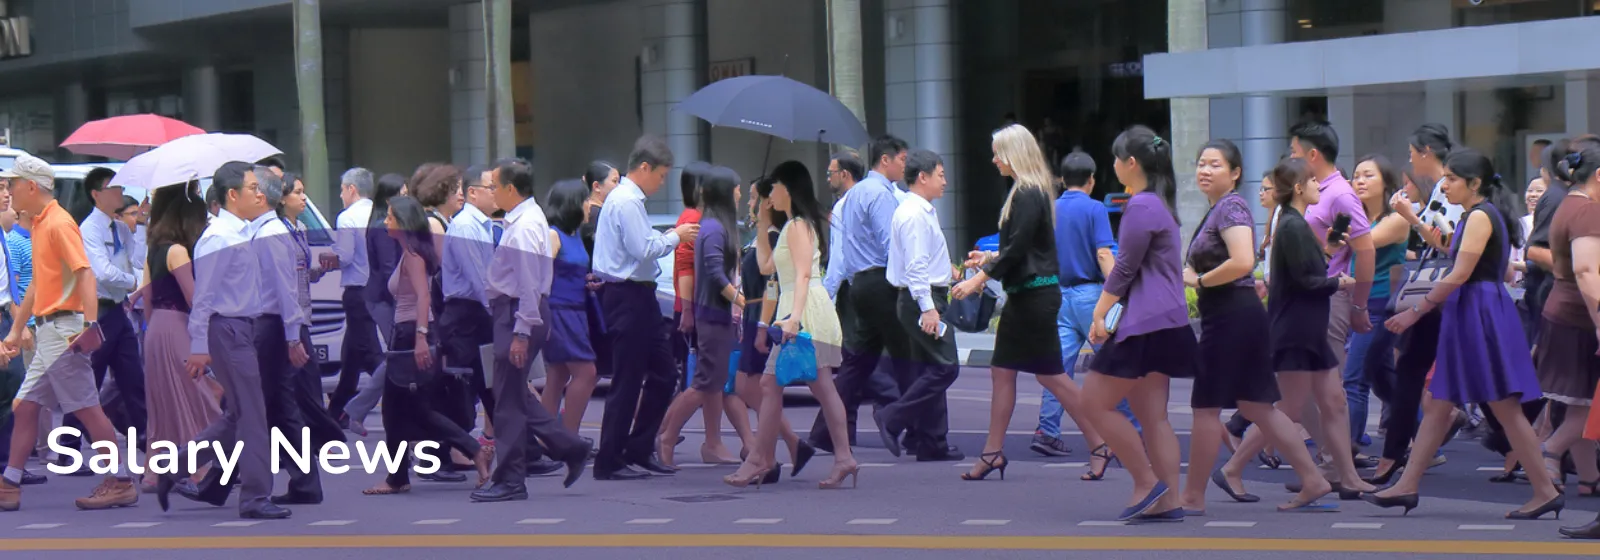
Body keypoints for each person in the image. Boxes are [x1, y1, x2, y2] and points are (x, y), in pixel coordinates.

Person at [1366, 149, 1559, 519]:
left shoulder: (1480, 216)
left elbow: (1458, 272)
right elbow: (1452, 250)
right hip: (1476, 311)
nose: (1445, 185)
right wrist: (1416, 222)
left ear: (1474, 183)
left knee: (1502, 407)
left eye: (1452, 179)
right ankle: (1407, 484)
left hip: (1477, 313)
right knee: (1439, 402)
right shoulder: (1481, 215)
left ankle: (1546, 491)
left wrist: (1415, 311)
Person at [1226, 121, 1379, 496]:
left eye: (1296, 151)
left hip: (1312, 320)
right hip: (1301, 323)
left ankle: (1345, 476)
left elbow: (1341, 258)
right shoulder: (1293, 222)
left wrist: (1338, 273)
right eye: (1310, 182)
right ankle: (1235, 468)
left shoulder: (1327, 200)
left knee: (1330, 401)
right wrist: (1337, 280)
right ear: (1299, 188)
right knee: (1292, 406)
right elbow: (1305, 278)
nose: (1315, 185)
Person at [1180, 143, 1330, 513]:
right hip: (1233, 315)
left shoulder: (1231, 207)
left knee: (1205, 407)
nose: (1205, 170)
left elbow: (1243, 261)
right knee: (1257, 405)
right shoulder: (1219, 208)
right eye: (1201, 163)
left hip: (1231, 316)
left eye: (1215, 164)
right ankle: (1313, 479)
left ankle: (1192, 496)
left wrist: (1199, 280)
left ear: (1235, 173)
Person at [950, 124, 1101, 482]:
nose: (994, 160)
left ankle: (1100, 443)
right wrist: (988, 259)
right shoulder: (1028, 190)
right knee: (1007, 372)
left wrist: (978, 279)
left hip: (1034, 296)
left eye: (998, 153)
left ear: (1013, 154)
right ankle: (992, 452)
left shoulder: (1029, 191)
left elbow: (1018, 250)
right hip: (1028, 295)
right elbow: (1023, 247)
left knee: (1051, 377)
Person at [1068, 126, 1195, 521]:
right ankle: (1169, 499)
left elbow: (1124, 268)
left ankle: (1145, 482)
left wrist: (1099, 312)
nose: (1113, 165)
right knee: (1154, 416)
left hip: (1144, 321)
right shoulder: (1160, 204)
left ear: (1132, 163)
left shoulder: (1141, 206)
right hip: (1167, 319)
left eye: (1116, 158)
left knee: (1092, 402)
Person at [0, 154, 134, 512]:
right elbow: (37, 286)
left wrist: (89, 325)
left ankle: (121, 480)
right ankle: (9, 483)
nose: (9, 190)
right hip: (52, 330)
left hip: (62, 331)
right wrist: (16, 330)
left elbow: (85, 272)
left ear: (31, 187)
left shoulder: (58, 223)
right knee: (25, 406)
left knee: (86, 408)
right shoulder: (41, 223)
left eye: (13, 184)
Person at [154, 162, 286, 519]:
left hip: (242, 328)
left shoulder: (241, 232)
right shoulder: (220, 237)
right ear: (232, 195)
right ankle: (256, 497)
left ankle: (175, 467)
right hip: (227, 329)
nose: (260, 194)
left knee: (239, 415)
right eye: (253, 188)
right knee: (253, 416)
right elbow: (204, 297)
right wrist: (199, 346)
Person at [723, 160, 859, 489]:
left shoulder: (798, 226)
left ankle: (760, 458)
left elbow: (803, 275)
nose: (770, 193)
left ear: (788, 188)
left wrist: (795, 318)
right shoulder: (792, 226)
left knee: (772, 385)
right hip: (802, 309)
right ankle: (843, 458)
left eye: (775, 186)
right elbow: (767, 266)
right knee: (818, 387)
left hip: (803, 311)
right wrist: (762, 222)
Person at [472, 160, 589, 501]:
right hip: (516, 312)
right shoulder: (525, 219)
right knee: (512, 392)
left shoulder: (524, 226)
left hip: (516, 313)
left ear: (511, 189)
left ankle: (511, 480)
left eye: (494, 187)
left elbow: (528, 284)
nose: (491, 193)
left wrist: (522, 332)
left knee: (507, 403)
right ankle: (570, 447)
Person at [364, 195, 491, 497]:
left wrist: (421, 337)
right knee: (400, 411)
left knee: (411, 411)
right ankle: (398, 477)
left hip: (411, 335)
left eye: (390, 217)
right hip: (409, 334)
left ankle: (473, 451)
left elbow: (423, 296)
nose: (385, 222)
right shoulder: (415, 250)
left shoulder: (412, 254)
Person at [591, 136, 698, 480]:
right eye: (662, 175)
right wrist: (676, 236)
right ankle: (609, 460)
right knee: (628, 379)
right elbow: (643, 249)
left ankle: (637, 448)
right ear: (645, 167)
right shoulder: (626, 201)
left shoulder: (628, 200)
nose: (662, 182)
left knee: (664, 374)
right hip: (628, 296)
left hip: (639, 295)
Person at [1033, 150, 1129, 479]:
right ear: (1091, 180)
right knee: (1115, 363)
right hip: (1090, 296)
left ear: (1061, 180)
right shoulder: (1095, 208)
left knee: (1058, 370)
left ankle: (1047, 431)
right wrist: (1118, 291)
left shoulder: (1050, 208)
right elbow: (1104, 252)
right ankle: (1129, 433)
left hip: (1058, 294)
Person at [659, 166, 754, 467]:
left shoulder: (718, 225)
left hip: (719, 315)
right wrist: (739, 299)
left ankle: (709, 444)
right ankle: (666, 437)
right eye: (736, 188)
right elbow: (714, 272)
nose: (740, 193)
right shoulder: (712, 228)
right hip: (712, 315)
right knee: (703, 382)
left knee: (713, 383)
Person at [54, 171, 148, 470]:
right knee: (88, 381)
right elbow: (103, 272)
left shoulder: (121, 229)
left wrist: (141, 225)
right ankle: (68, 447)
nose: (119, 192)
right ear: (96, 194)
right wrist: (134, 282)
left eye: (121, 186)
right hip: (98, 311)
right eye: (113, 188)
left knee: (133, 378)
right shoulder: (89, 229)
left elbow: (137, 261)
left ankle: (147, 442)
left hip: (118, 310)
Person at [875, 149, 964, 466]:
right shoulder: (913, 214)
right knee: (945, 367)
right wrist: (928, 308)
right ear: (922, 177)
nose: (945, 181)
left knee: (930, 368)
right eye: (940, 175)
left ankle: (931, 441)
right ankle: (892, 418)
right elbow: (915, 267)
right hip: (920, 301)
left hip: (920, 298)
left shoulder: (920, 210)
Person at [135, 180, 221, 491]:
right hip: (178, 325)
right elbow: (194, 298)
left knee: (163, 400)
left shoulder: (155, 250)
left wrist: (154, 327)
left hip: (156, 327)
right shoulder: (179, 251)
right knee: (195, 395)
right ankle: (198, 467)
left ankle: (153, 470)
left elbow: (146, 297)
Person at [813, 150, 898, 455]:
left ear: (845, 175)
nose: (828, 178)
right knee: (861, 358)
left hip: (854, 289)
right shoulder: (870, 198)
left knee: (857, 359)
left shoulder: (846, 205)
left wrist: (827, 294)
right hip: (871, 286)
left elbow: (839, 259)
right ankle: (879, 416)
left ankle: (837, 430)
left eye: (831, 173)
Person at [1535, 138, 1600, 502]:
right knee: (1589, 403)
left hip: (1564, 312)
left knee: (1581, 402)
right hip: (1579, 317)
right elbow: (1587, 271)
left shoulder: (1569, 204)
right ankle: (1551, 450)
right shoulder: (1588, 211)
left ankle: (1589, 478)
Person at [733, 177, 811, 480]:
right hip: (752, 313)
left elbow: (772, 283)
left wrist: (763, 326)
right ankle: (788, 446)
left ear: (768, 202)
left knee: (756, 387)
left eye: (754, 198)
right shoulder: (761, 235)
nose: (749, 203)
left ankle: (770, 455)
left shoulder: (775, 236)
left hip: (763, 315)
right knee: (749, 387)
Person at [1344, 155, 1413, 484]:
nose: (1359, 181)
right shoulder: (1356, 217)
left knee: (1354, 380)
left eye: (1368, 175)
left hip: (1382, 304)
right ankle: (1422, 429)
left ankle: (1345, 453)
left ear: (1386, 181)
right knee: (1382, 378)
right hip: (1359, 301)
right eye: (1356, 175)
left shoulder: (1396, 219)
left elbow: (1364, 245)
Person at [440, 164, 499, 459]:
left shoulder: (483, 225)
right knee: (460, 390)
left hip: (477, 313)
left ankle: (524, 452)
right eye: (492, 187)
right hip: (465, 315)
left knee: (491, 386)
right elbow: (478, 279)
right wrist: (496, 310)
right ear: (473, 193)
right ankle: (442, 456)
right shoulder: (466, 226)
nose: (496, 193)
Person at [539, 179, 601, 434]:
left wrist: (586, 280)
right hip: (560, 312)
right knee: (586, 372)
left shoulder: (575, 234)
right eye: (585, 200)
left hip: (577, 309)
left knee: (558, 375)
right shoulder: (553, 235)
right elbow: (541, 276)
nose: (589, 205)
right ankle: (568, 437)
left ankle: (546, 437)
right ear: (572, 204)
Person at [323, 168, 378, 432]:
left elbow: (344, 256)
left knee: (372, 356)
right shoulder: (378, 214)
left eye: (342, 189)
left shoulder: (347, 217)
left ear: (352, 189)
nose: (340, 195)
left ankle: (400, 396)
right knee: (351, 357)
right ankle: (338, 412)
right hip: (374, 290)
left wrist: (326, 259)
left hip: (356, 291)